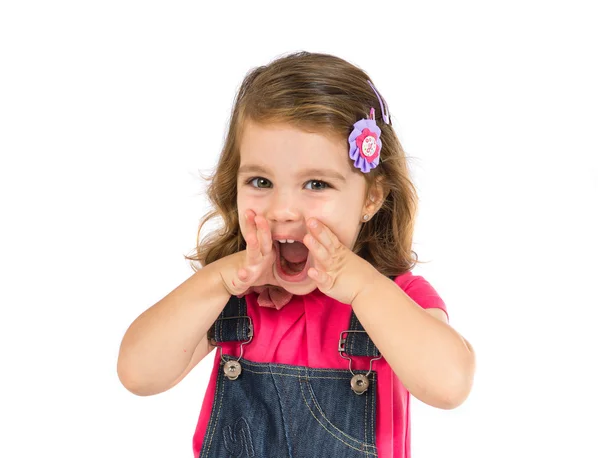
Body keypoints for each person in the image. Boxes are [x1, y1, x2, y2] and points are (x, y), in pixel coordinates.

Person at [117, 51, 476, 457]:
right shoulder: (232, 295)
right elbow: (137, 373)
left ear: (371, 197)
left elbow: (450, 385)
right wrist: (219, 279)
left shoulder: (396, 296)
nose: (283, 210)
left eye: (317, 185)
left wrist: (363, 287)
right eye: (260, 180)